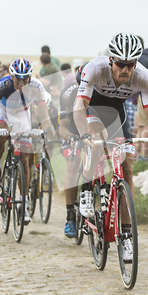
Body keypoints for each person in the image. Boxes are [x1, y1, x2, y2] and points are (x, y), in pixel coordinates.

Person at [73, 33, 148, 260]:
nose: (125, 70)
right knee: (95, 140)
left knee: (127, 169)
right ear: (111, 60)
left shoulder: (143, 76)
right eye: (121, 64)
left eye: (130, 65)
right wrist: (84, 134)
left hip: (117, 113)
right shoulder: (94, 68)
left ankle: (126, 236)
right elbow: (79, 107)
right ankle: (85, 191)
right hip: (92, 107)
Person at [0, 59, 53, 225]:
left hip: (22, 114)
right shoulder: (3, 85)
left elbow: (45, 117)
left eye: (25, 79)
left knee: (25, 158)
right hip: (3, 111)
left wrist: (40, 129)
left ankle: (23, 201)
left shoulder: (36, 87)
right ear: (11, 76)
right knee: (2, 135)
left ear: (30, 78)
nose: (21, 83)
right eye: (17, 79)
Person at [58, 72, 82, 238]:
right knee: (72, 165)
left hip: (92, 130)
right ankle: (70, 216)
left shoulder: (102, 91)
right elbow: (63, 128)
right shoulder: (69, 93)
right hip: (72, 132)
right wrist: (71, 138)